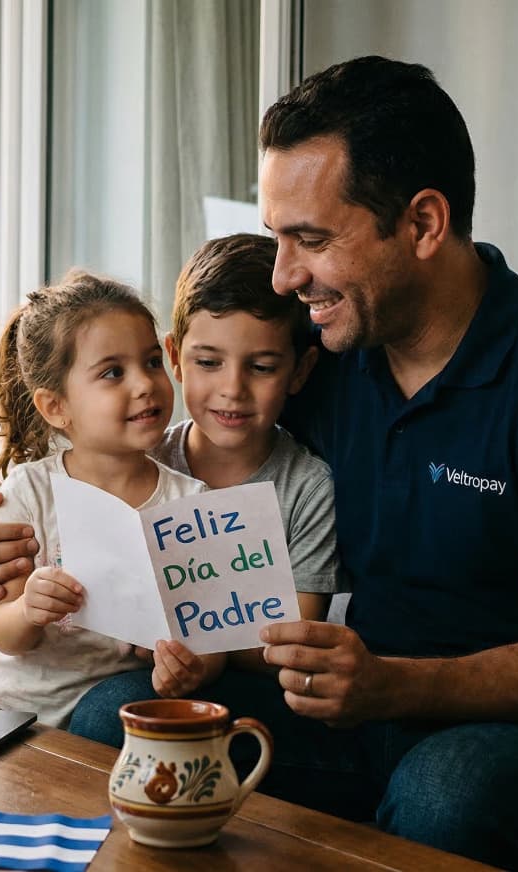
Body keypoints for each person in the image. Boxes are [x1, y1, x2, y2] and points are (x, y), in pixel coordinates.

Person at [0, 57, 518, 869]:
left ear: (423, 224)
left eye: (311, 240)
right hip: (361, 715)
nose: (286, 275)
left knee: (445, 790)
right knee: (116, 712)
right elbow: (153, 443)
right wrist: (12, 541)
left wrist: (391, 682)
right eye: (279, 237)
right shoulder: (324, 358)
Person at [61, 233, 342, 717]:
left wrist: (205, 650)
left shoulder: (307, 487)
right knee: (107, 707)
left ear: (299, 371)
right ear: (174, 358)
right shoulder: (140, 459)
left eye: (261, 367)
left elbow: (293, 641)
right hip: (140, 672)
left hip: (256, 695)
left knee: (110, 709)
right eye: (208, 362)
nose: (232, 389)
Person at [0, 271, 204, 728]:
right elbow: (3, 631)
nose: (144, 383)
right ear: (56, 407)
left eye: (152, 361)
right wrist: (29, 609)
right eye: (113, 372)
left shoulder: (190, 502)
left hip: (107, 719)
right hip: (7, 714)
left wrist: (189, 669)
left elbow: (206, 639)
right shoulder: (29, 492)